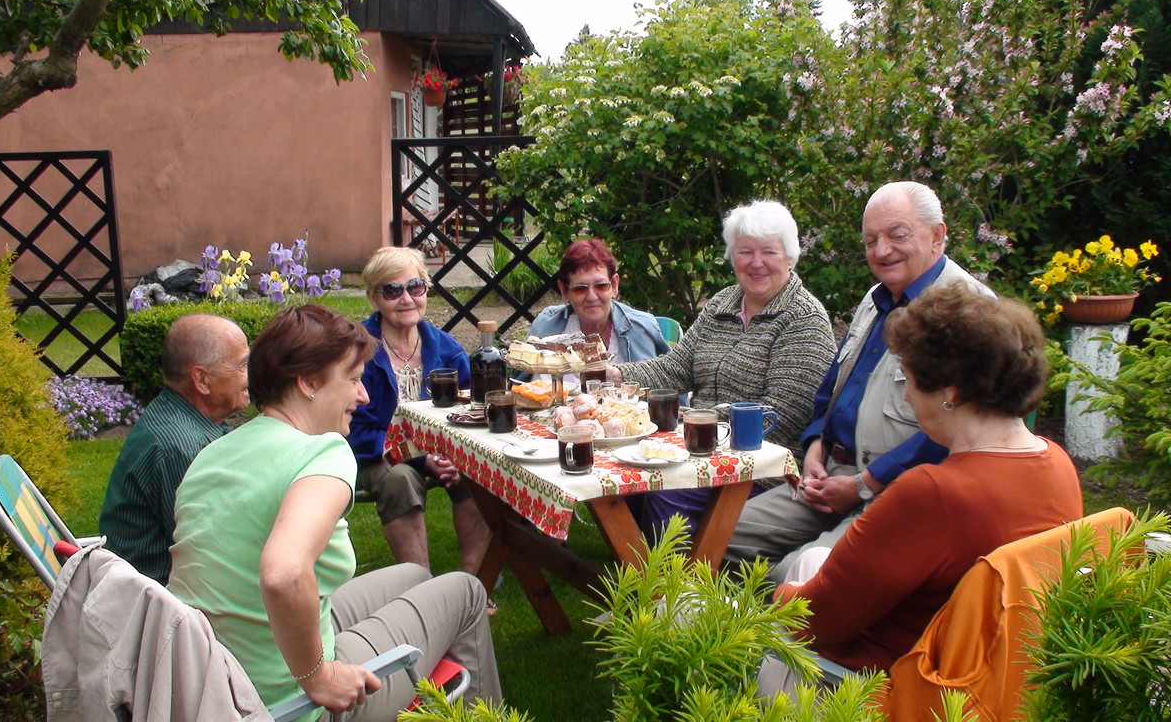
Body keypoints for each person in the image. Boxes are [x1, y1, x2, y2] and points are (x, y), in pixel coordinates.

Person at [169, 305, 500, 720]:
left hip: (215, 680)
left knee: (415, 577)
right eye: (353, 379)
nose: (363, 396)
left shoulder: (214, 453)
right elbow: (284, 572)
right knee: (467, 593)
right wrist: (318, 677)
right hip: (287, 704)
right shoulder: (323, 452)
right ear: (308, 383)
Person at [758, 284, 1082, 692]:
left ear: (951, 394)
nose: (907, 397)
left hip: (878, 687)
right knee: (817, 559)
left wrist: (776, 597)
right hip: (991, 677)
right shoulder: (1056, 464)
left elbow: (815, 621)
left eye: (907, 379)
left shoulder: (934, 493)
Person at [725, 181, 991, 582]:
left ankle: (756, 635)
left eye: (897, 235)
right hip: (828, 475)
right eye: (871, 240)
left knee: (795, 576)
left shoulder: (967, 309)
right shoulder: (876, 298)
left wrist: (866, 483)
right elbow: (831, 389)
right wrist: (814, 448)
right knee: (713, 534)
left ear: (938, 235)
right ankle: (685, 629)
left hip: (897, 495)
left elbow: (959, 432)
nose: (882, 250)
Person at [609, 200, 836, 536]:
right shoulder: (722, 304)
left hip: (758, 465)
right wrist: (616, 377)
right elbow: (676, 367)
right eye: (745, 252)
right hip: (697, 449)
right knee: (623, 478)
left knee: (665, 492)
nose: (756, 263)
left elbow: (782, 414)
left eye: (769, 252)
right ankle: (640, 572)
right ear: (732, 256)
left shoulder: (804, 320)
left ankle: (675, 586)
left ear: (790, 256)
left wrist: (696, 421)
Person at [346, 247, 490, 574]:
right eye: (393, 290)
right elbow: (357, 433)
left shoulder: (445, 348)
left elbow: (472, 410)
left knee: (479, 471)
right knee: (401, 479)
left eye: (416, 287)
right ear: (374, 298)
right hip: (375, 456)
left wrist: (456, 456)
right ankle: (420, 586)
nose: (407, 299)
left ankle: (475, 579)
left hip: (438, 450)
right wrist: (419, 456)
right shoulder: (359, 351)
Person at [98, 313, 249, 584]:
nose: (250, 376)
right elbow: (215, 557)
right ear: (202, 380)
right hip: (160, 606)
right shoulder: (183, 449)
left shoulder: (179, 417)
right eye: (241, 367)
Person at [527, 238, 670, 366]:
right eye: (580, 289)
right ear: (564, 291)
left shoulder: (639, 330)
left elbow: (660, 388)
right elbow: (520, 386)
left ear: (614, 285)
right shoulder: (545, 327)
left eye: (601, 286)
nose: (592, 296)